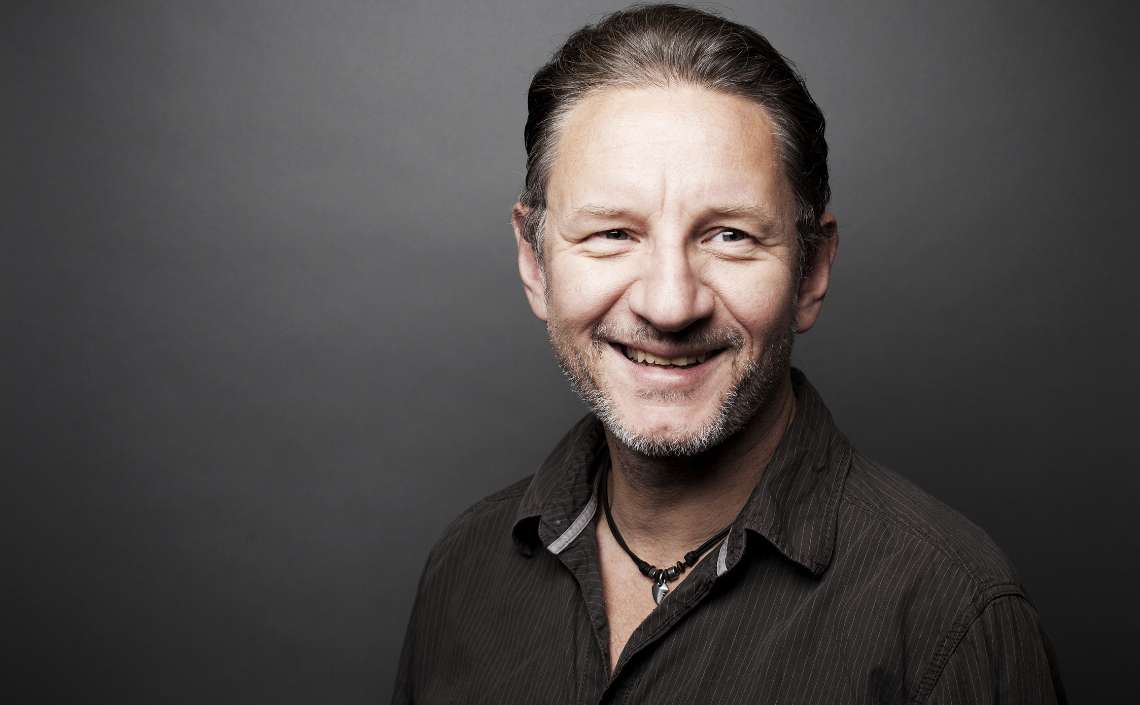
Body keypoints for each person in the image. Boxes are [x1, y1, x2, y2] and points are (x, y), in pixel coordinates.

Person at [392, 4, 1066, 703]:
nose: (670, 304)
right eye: (614, 234)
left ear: (811, 271)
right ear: (536, 264)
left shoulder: (952, 616)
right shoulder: (464, 570)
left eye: (730, 236)